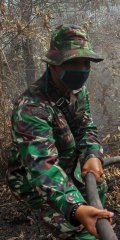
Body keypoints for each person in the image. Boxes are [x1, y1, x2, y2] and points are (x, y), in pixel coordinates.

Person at [6, 24, 113, 239]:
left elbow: (86, 126)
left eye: (85, 62)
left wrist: (93, 154)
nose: (81, 69)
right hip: (33, 178)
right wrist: (76, 209)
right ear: (53, 65)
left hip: (67, 164)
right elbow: (43, 169)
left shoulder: (78, 91)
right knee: (81, 231)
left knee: (99, 189)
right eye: (72, 62)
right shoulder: (31, 108)